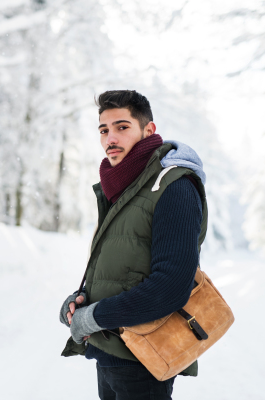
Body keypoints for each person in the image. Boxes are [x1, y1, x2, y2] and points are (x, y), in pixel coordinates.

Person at [59, 90, 208, 400]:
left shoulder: (174, 186)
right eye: (104, 130)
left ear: (148, 130)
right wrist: (82, 301)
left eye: (122, 127)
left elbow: (170, 287)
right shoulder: (124, 189)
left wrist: (96, 316)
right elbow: (122, 269)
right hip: (110, 355)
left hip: (145, 359)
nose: (110, 137)